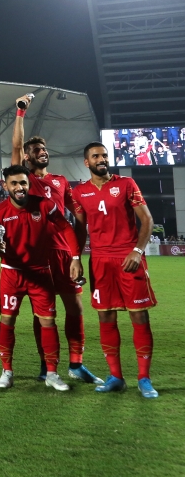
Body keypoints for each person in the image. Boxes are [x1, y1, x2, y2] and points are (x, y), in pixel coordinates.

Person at [10, 95, 101, 385]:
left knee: (75, 308)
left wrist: (77, 252)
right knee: (43, 314)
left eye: (44, 149)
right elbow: (15, 147)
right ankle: (45, 365)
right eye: (36, 150)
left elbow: (80, 215)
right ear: (27, 157)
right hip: (37, 256)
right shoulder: (25, 180)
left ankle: (76, 364)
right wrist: (21, 113)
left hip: (63, 253)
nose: (42, 152)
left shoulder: (61, 181)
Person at [72, 142, 159, 398]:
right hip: (100, 261)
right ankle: (116, 377)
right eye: (96, 156)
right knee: (106, 317)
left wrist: (137, 250)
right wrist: (75, 258)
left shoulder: (126, 184)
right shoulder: (80, 192)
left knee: (139, 317)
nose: (102, 159)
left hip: (128, 258)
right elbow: (79, 229)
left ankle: (144, 378)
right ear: (87, 162)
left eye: (104, 155)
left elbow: (147, 219)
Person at [0, 165, 80, 391]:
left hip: (40, 272)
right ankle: (7, 372)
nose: (19, 187)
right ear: (5, 186)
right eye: (14, 183)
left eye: (23, 183)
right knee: (7, 320)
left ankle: (51, 374)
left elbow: (66, 228)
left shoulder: (45, 205)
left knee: (48, 322)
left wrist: (76, 257)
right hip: (12, 273)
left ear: (29, 184)